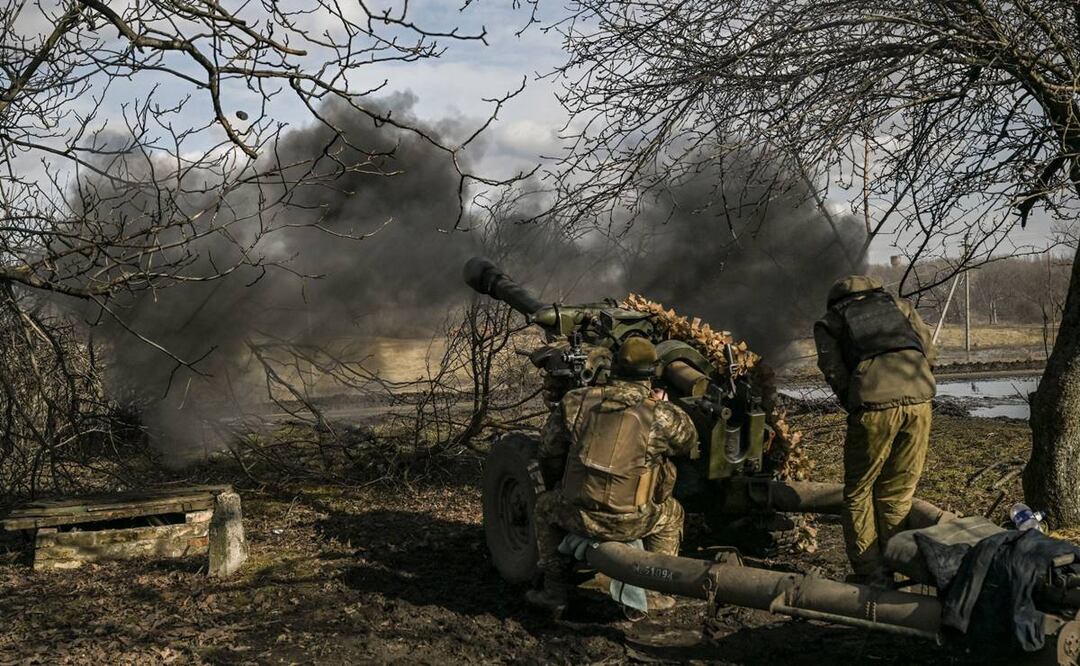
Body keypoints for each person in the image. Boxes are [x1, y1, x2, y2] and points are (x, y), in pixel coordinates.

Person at [525, 337, 699, 614]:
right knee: (672, 513)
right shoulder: (662, 415)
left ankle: (554, 592)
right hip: (635, 522)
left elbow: (548, 451)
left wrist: (559, 487)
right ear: (651, 373)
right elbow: (687, 443)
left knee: (544, 507)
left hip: (579, 516)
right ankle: (653, 594)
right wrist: (662, 405)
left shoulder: (575, 402)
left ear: (614, 368)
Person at [814, 275, 937, 585]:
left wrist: (855, 401)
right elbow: (929, 352)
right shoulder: (900, 306)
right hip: (921, 400)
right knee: (897, 492)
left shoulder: (831, 321)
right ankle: (902, 563)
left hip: (874, 407)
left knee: (858, 491)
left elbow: (834, 371)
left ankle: (872, 573)